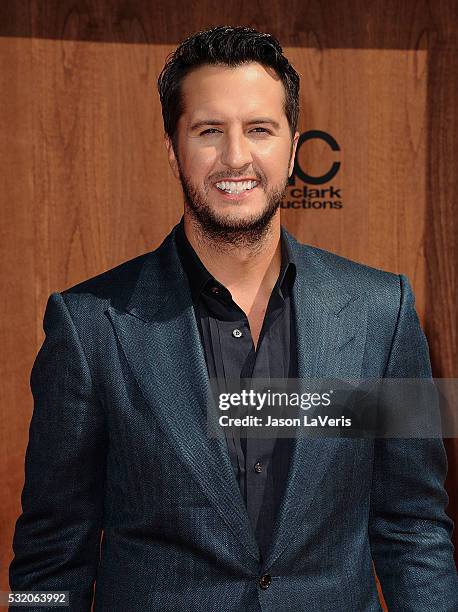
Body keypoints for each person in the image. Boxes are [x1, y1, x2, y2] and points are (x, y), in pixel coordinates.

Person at [9, 25, 457, 612]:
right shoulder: (90, 325)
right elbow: (51, 553)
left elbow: (414, 525)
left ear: (295, 147)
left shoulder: (384, 313)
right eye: (209, 131)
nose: (236, 156)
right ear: (173, 149)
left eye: (259, 129)